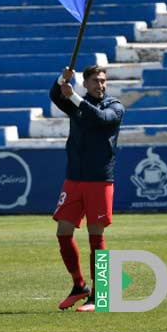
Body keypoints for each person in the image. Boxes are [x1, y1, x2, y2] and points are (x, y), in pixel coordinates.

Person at [50, 65, 125, 312]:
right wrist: (63, 79)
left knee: (96, 236)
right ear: (86, 83)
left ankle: (100, 293)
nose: (100, 85)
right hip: (74, 178)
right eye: (95, 81)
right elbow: (54, 95)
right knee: (63, 232)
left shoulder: (115, 107)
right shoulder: (76, 104)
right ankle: (79, 285)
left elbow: (100, 118)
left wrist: (72, 95)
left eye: (103, 81)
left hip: (100, 180)